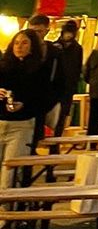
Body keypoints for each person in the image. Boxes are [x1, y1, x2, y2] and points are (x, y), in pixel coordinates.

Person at [0, 30, 48, 185]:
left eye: (24, 42)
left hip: (21, 125)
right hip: (1, 122)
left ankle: (6, 208)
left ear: (32, 46)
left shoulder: (39, 70)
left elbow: (43, 98)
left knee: (10, 173)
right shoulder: (3, 67)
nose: (19, 46)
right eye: (16, 42)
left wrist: (25, 104)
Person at [25, 14, 61, 149]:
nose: (35, 35)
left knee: (34, 142)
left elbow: (60, 81)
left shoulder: (54, 53)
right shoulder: (22, 50)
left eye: (38, 31)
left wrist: (49, 101)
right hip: (23, 106)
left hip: (42, 104)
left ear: (47, 30)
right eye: (32, 31)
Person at [52, 20, 84, 137]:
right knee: (50, 114)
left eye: (71, 33)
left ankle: (56, 143)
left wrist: (73, 84)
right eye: (67, 32)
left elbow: (78, 67)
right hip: (54, 87)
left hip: (68, 88)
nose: (68, 35)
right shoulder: (55, 46)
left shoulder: (78, 48)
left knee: (62, 116)